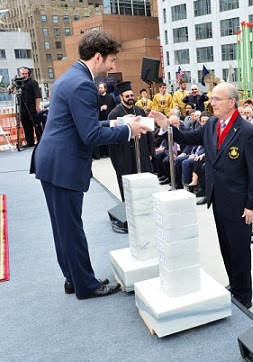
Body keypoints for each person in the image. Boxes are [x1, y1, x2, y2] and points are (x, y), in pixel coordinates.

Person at [31, 31, 151, 299]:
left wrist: (121, 123)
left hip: (52, 162)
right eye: (111, 60)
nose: (112, 67)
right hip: (63, 165)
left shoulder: (70, 77)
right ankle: (86, 285)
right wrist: (128, 132)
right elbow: (90, 135)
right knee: (71, 227)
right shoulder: (84, 85)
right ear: (98, 56)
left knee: (62, 226)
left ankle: (72, 278)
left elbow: (85, 124)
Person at [151, 82, 253, 309]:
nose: (211, 103)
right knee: (226, 245)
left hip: (239, 202)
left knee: (240, 248)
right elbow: (189, 137)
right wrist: (168, 128)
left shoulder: (247, 132)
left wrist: (252, 205)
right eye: (211, 99)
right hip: (218, 197)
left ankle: (244, 295)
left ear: (231, 102)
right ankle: (234, 283)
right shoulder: (212, 124)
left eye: (216, 99)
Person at [107, 81, 155, 201]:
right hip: (124, 154)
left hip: (142, 151)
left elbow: (149, 133)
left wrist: (150, 152)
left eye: (132, 95)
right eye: (127, 96)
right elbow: (111, 138)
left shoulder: (139, 111)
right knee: (128, 183)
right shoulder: (114, 114)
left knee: (144, 181)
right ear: (121, 97)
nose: (130, 98)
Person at [8, 67, 42, 148]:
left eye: (26, 73)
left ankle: (41, 141)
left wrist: (37, 107)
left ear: (28, 74)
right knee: (26, 126)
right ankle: (30, 142)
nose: (24, 75)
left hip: (32, 107)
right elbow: (9, 90)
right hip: (22, 107)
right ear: (20, 74)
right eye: (23, 74)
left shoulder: (33, 82)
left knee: (36, 124)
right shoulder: (17, 82)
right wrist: (11, 86)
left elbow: (37, 96)